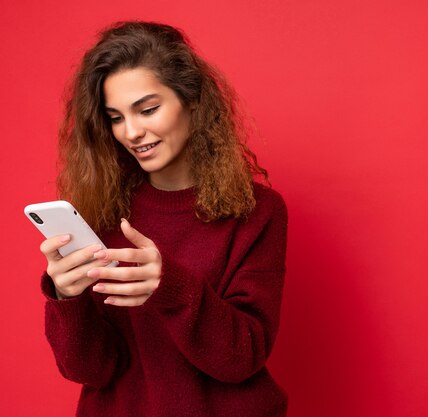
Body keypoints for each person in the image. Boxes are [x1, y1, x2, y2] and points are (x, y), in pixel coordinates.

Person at [38, 21, 288, 417]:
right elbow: (92, 371)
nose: (132, 132)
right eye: (115, 118)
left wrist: (169, 285)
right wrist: (67, 300)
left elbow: (242, 357)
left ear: (191, 100)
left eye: (148, 109)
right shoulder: (101, 211)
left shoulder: (258, 212)